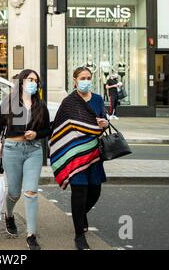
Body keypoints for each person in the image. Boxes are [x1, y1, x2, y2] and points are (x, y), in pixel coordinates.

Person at [0, 69, 51, 250]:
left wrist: (36, 133)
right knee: (14, 192)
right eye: (30, 79)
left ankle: (31, 235)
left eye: (36, 80)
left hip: (34, 151)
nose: (33, 83)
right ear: (21, 82)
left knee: (31, 192)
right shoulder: (9, 103)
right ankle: (9, 215)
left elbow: (47, 130)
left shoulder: (40, 105)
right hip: (12, 150)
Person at [49, 67, 109, 250]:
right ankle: (79, 235)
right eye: (82, 78)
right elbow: (59, 128)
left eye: (89, 78)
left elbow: (104, 121)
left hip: (93, 155)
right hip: (74, 156)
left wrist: (104, 124)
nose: (86, 81)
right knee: (79, 192)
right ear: (74, 80)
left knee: (95, 192)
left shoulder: (98, 99)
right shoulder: (68, 102)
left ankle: (80, 215)